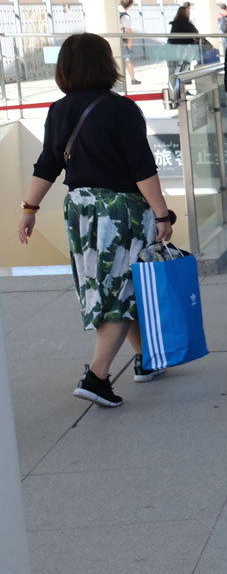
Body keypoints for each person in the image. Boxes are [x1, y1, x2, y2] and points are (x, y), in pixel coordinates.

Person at [18, 33, 178, 407]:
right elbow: (142, 168)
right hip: (119, 211)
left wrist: (29, 209)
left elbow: (48, 164)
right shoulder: (121, 109)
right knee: (119, 292)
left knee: (119, 284)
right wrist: (161, 212)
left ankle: (146, 360)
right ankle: (97, 377)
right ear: (105, 64)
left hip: (80, 209)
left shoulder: (59, 110)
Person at [168, 2, 201, 76]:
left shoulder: (176, 22)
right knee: (183, 71)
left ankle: (177, 86)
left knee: (174, 71)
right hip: (181, 50)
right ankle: (182, 87)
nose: (189, 13)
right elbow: (196, 33)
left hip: (172, 49)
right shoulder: (185, 22)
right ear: (184, 13)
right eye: (188, 12)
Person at [117, 0, 137, 85]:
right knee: (127, 60)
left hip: (116, 39)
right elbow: (128, 32)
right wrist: (129, 43)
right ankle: (133, 79)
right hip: (123, 40)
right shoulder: (126, 16)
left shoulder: (115, 11)